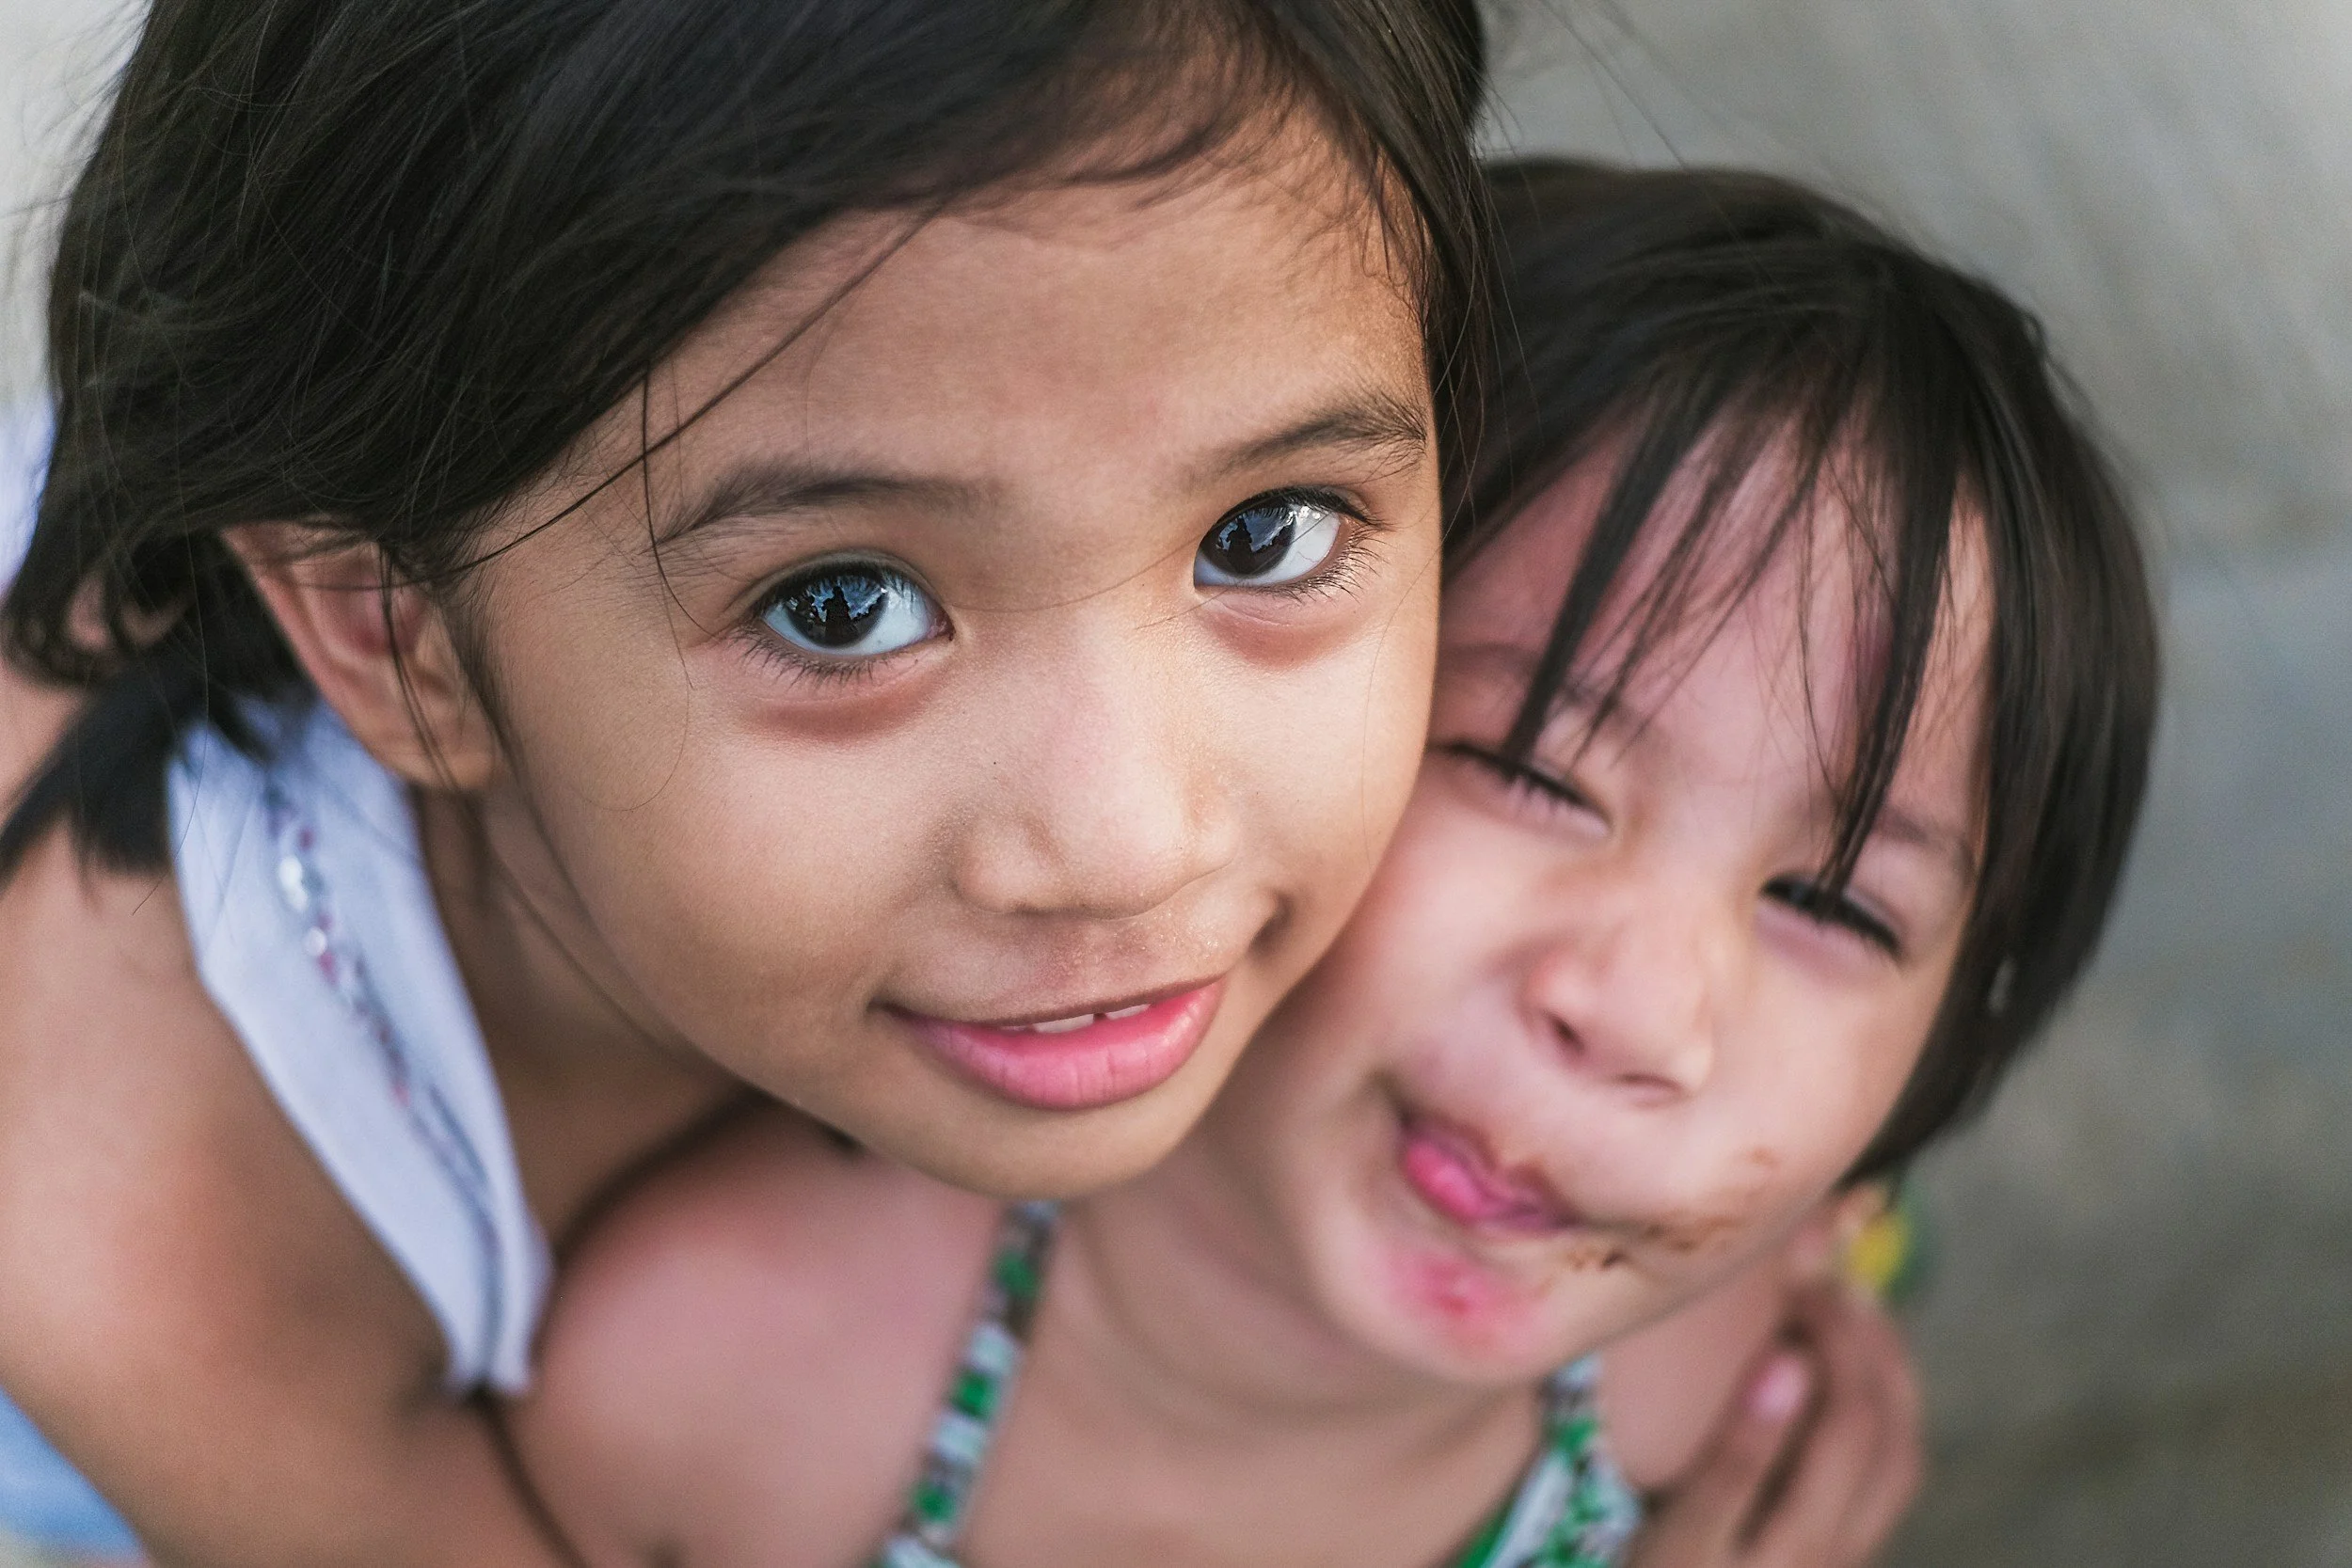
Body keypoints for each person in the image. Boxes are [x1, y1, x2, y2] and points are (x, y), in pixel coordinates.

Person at [0, 3, 1493, 1562]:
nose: (1124, 842)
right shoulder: (151, 1234)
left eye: (1268, 533)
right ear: (398, 636)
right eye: (841, 605)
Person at [512, 157, 2158, 1568]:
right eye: (1528, 770)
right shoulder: (727, 1390)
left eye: (1833, 902)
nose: (1639, 1011)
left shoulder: (1728, 1390)